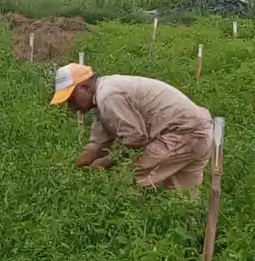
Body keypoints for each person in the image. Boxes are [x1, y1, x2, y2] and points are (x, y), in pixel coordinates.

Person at [50, 63, 213, 191]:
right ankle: (193, 232)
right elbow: (97, 145)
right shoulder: (102, 99)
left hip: (184, 134)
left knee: (124, 181)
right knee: (182, 198)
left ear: (84, 87)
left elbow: (136, 139)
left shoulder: (108, 96)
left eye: (71, 99)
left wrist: (105, 162)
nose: (71, 107)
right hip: (198, 131)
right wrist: (73, 166)